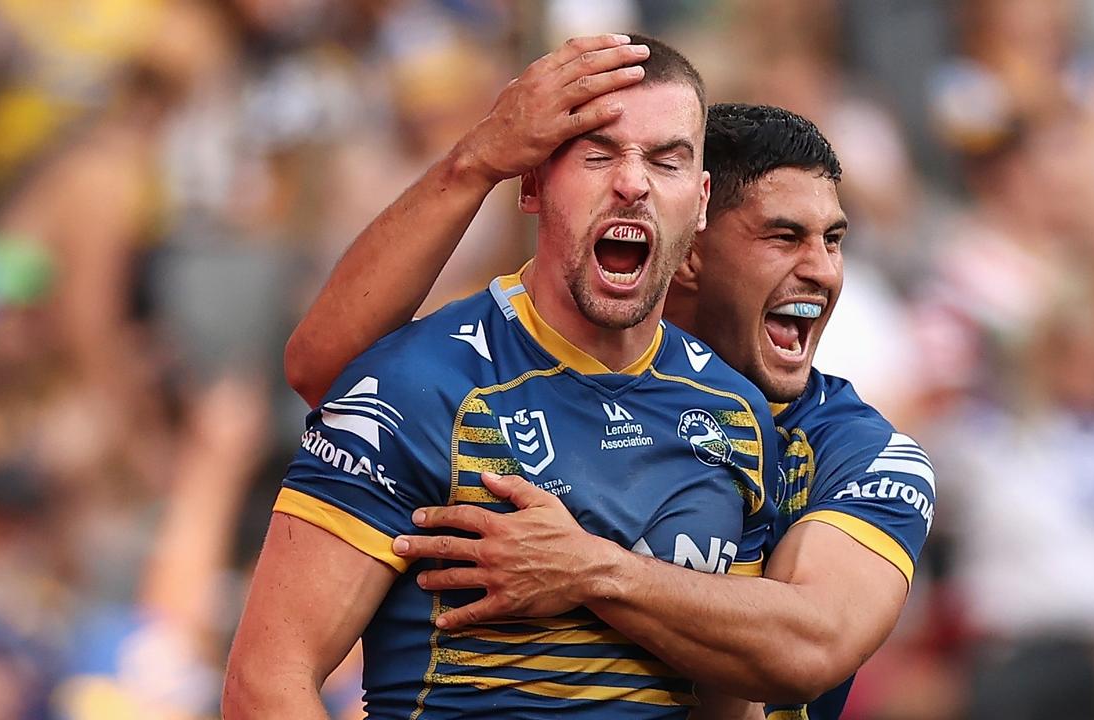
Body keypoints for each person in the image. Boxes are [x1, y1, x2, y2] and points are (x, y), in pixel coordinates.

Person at [282, 45, 936, 717]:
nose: (822, 272)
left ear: (695, 203)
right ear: (694, 245)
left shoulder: (858, 450)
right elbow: (332, 375)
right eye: (782, 236)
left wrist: (589, 569)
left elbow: (808, 650)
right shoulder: (470, 377)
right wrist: (477, 161)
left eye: (833, 241)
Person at [223, 34, 780, 720]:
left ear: (699, 203)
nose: (632, 182)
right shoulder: (421, 384)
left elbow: (730, 699)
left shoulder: (736, 416)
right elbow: (266, 681)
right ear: (533, 185)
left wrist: (591, 573)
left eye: (666, 161)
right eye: (597, 154)